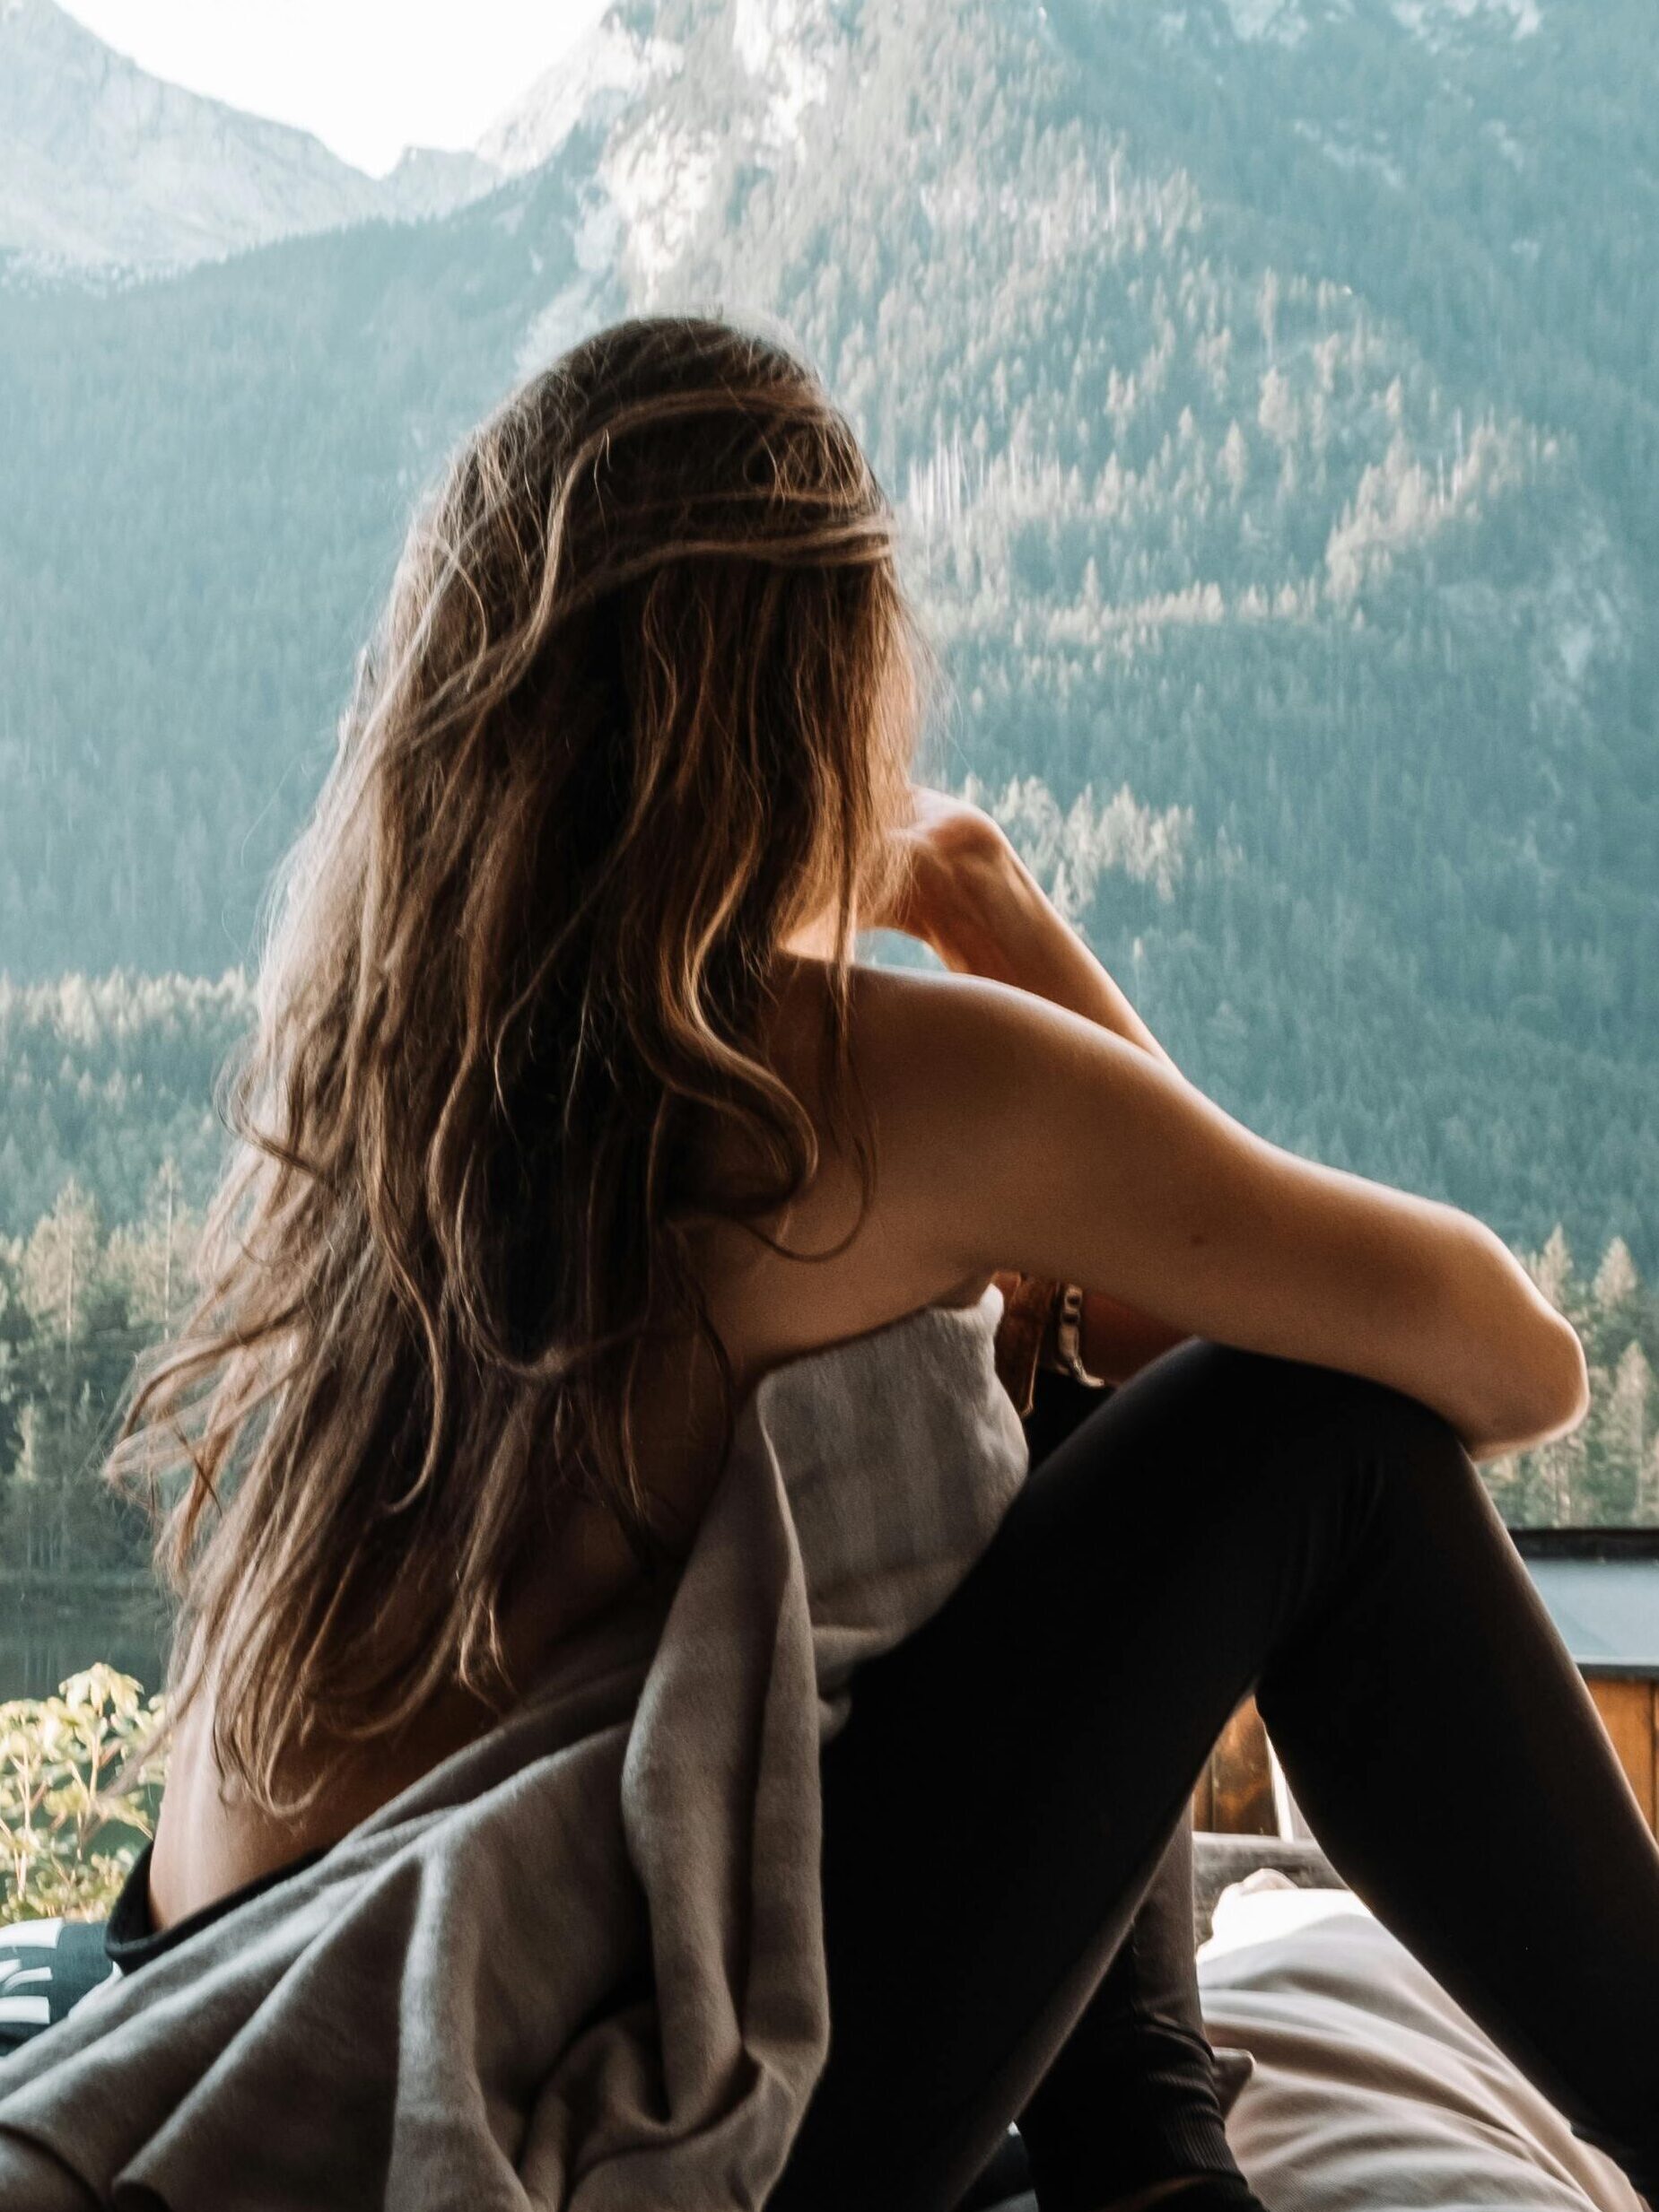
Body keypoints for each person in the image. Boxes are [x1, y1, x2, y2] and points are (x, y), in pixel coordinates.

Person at [10, 315, 1657, 2212]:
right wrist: (993, 914)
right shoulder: (830, 1078)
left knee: (1034, 1390)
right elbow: (1508, 1367)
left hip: (208, 1993)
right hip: (536, 2100)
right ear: (811, 695)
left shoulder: (380, 1093)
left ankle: (1145, 2163)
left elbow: (1114, 1346)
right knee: (1308, 1448)